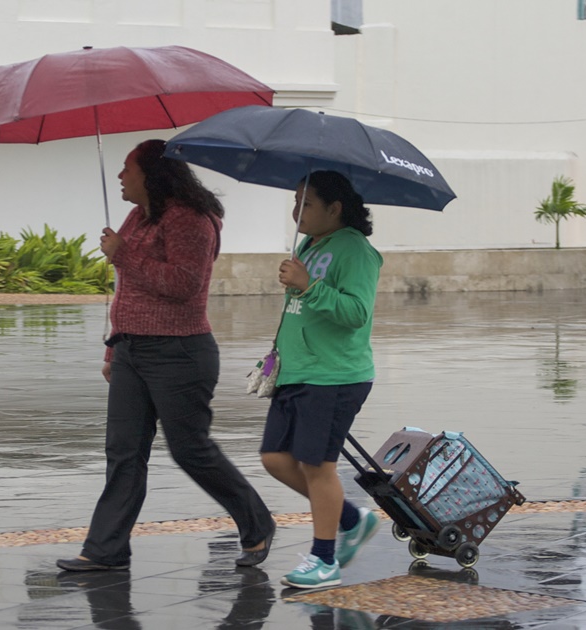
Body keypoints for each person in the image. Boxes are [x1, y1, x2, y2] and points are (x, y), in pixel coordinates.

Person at [56, 139, 276, 572]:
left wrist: (124, 254)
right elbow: (130, 290)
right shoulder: (140, 215)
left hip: (179, 352)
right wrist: (112, 346)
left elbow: (183, 283)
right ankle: (106, 549)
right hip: (131, 349)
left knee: (190, 449)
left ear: (152, 174)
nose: (121, 176)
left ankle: (257, 522)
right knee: (123, 451)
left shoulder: (190, 219)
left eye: (128, 168)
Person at [258, 170, 383, 589]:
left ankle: (324, 559)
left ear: (335, 208)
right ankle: (351, 519)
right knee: (274, 457)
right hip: (297, 371)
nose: (296, 211)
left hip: (334, 375)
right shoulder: (309, 244)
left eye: (306, 203)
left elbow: (355, 314)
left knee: (317, 465)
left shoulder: (356, 251)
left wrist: (308, 285)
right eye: (295, 202)